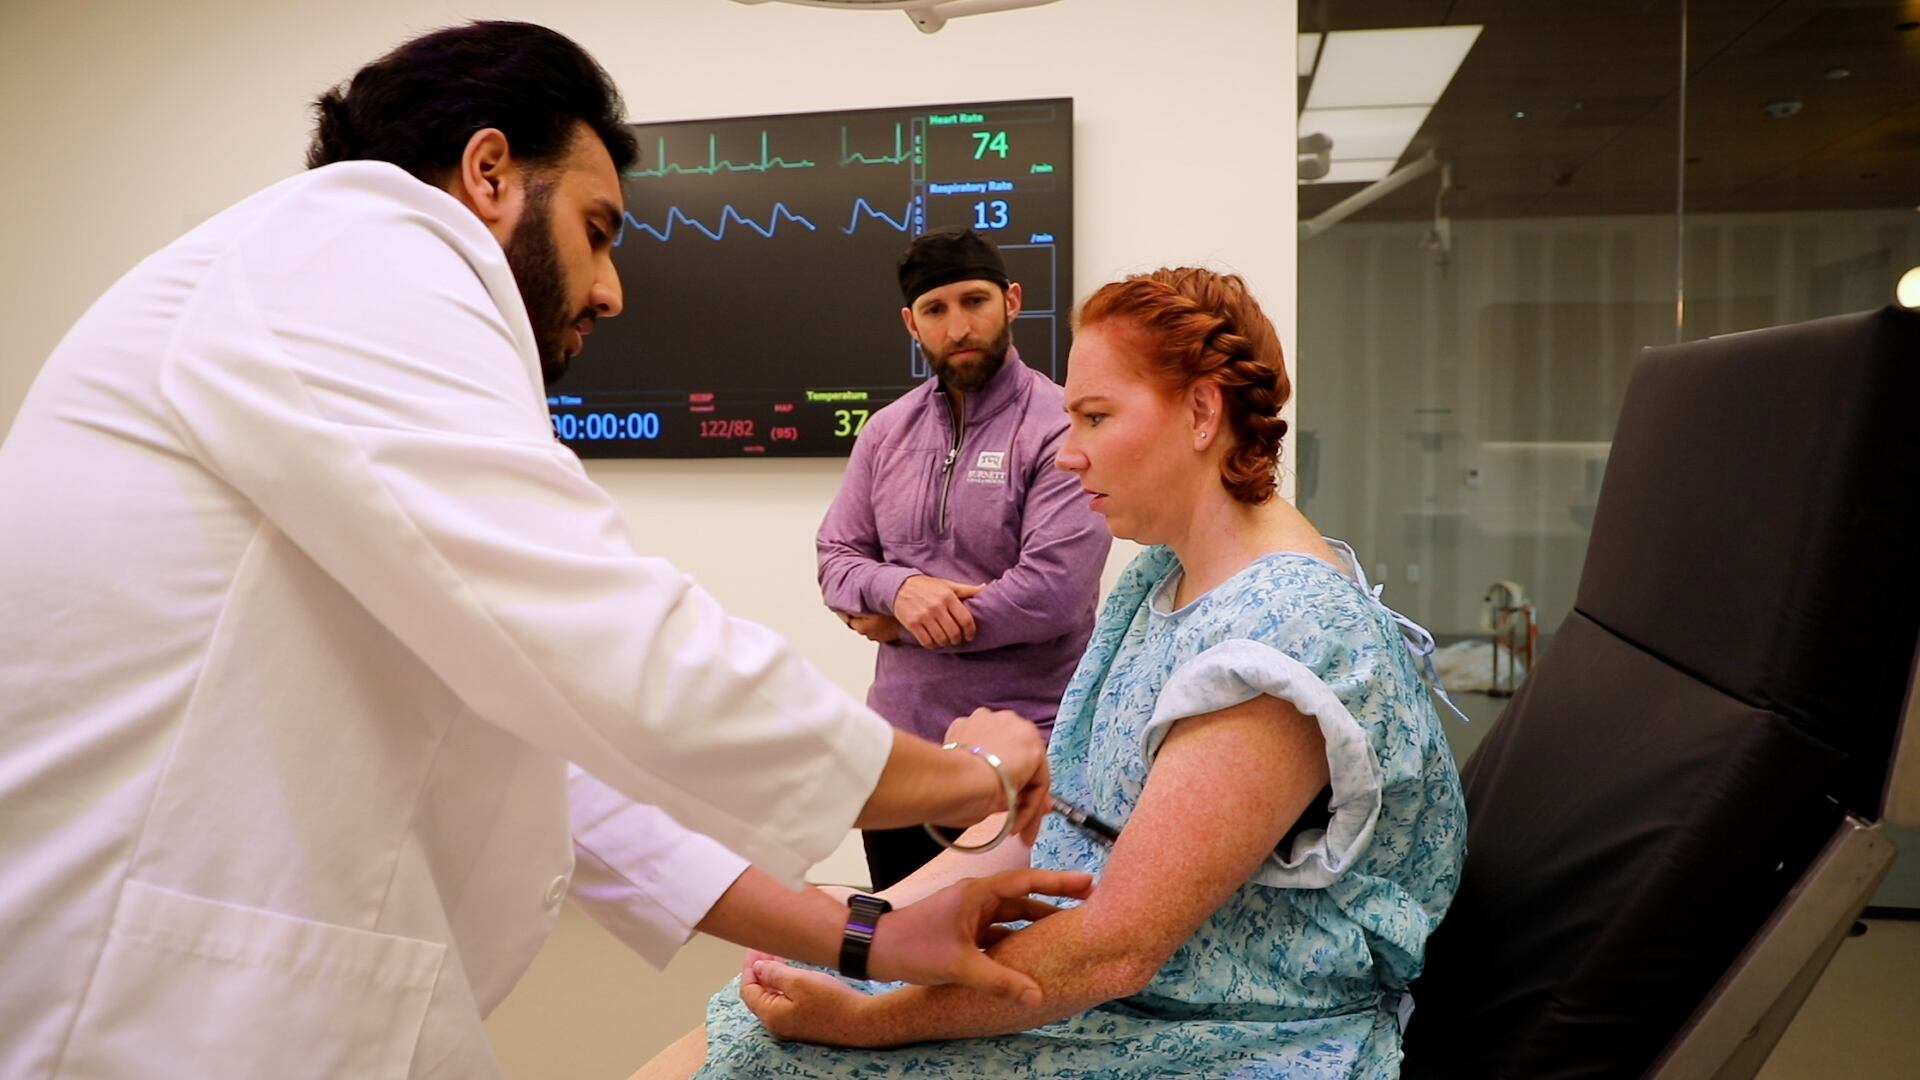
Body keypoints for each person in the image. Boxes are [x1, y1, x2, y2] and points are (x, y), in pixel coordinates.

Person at [0, 23, 1082, 1080]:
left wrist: (868, 939)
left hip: (243, 993)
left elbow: (565, 772)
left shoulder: (320, 306)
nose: (611, 291)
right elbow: (618, 645)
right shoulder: (352, 249)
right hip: (145, 1009)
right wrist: (971, 771)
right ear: (488, 172)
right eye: (600, 231)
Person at [637, 268, 1468, 1079]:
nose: (1067, 455)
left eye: (1095, 418)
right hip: (1121, 978)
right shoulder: (1159, 582)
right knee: (741, 1021)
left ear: (1202, 412)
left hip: (1216, 1021)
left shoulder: (1285, 635)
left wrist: (866, 1019)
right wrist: (857, 931)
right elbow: (1063, 828)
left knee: (762, 1055)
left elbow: (1119, 949)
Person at [817, 226, 1111, 890]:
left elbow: (1051, 592)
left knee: (1010, 969)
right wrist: (901, 589)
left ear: (1011, 300)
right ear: (910, 323)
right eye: (936, 310)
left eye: (974, 301)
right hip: (901, 754)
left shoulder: (1063, 426)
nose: (959, 326)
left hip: (1027, 757)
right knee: (898, 953)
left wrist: (901, 621)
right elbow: (836, 557)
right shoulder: (886, 431)